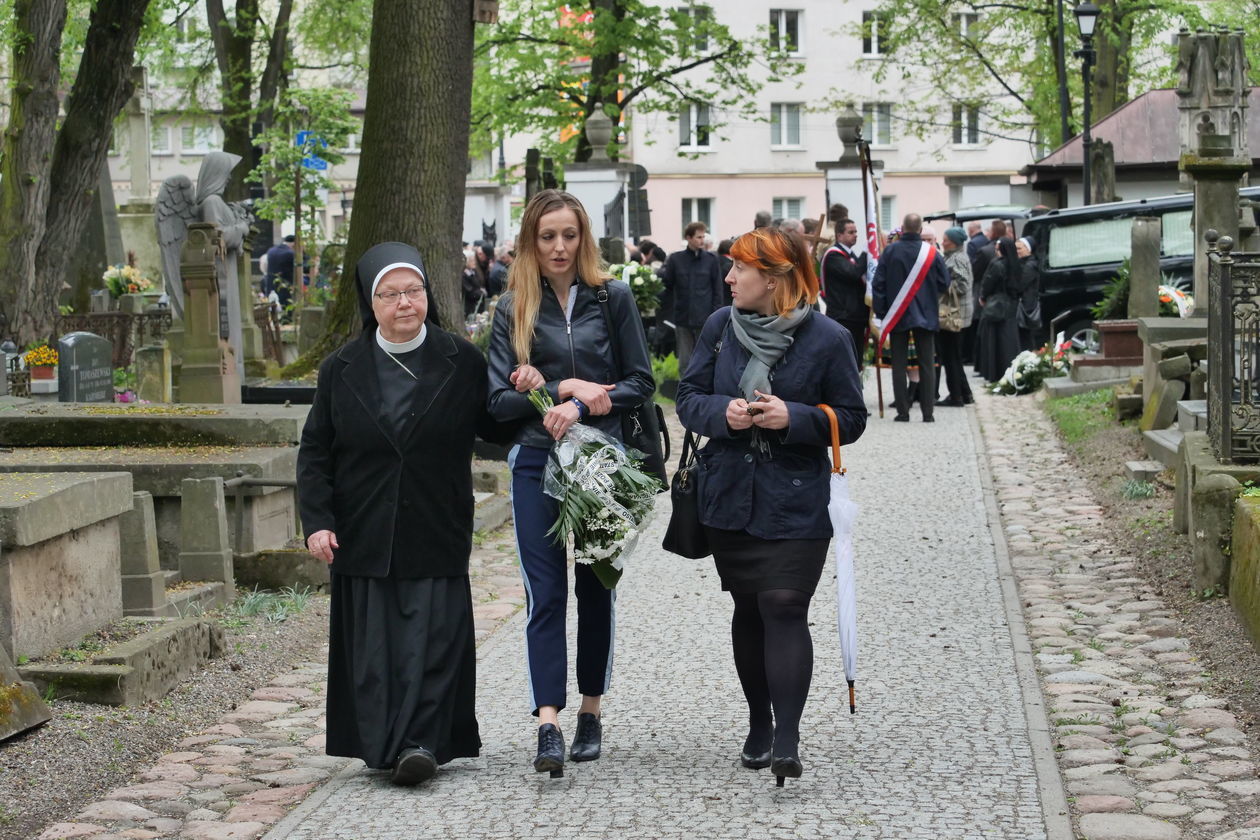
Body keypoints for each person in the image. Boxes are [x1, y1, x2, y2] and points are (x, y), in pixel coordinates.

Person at [298, 241, 504, 787]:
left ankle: (421, 745)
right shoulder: (340, 369)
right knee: (374, 649)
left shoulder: (462, 361)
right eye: (390, 294)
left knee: (431, 645)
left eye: (413, 291)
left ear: (427, 296)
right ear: (373, 303)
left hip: (435, 522)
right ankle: (383, 744)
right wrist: (318, 520)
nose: (404, 303)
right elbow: (316, 450)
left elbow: (497, 429)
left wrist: (536, 397)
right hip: (364, 526)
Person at [676, 226, 867, 787]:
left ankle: (788, 736)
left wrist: (798, 418)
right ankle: (759, 721)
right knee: (749, 607)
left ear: (775, 278)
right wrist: (723, 415)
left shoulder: (828, 338)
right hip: (730, 495)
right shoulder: (718, 329)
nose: (729, 277)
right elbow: (688, 399)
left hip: (796, 499)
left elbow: (851, 419)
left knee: (784, 604)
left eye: (740, 269)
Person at [486, 189, 655, 779]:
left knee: (595, 587)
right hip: (535, 461)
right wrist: (553, 389)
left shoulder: (613, 298)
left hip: (600, 463)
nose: (559, 247)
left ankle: (590, 709)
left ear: (584, 237)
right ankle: (548, 723)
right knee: (544, 593)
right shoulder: (512, 309)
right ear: (531, 242)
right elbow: (496, 404)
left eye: (569, 234)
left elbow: (641, 383)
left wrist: (587, 403)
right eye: (547, 236)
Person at [872, 213, 950, 422]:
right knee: (926, 364)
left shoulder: (890, 251)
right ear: (919, 229)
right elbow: (944, 283)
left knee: (899, 364)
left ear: (904, 229)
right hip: (926, 314)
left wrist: (881, 313)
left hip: (897, 315)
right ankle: (928, 413)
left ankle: (903, 411)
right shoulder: (932, 253)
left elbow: (878, 284)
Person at [662, 221, 725, 376]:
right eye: (698, 237)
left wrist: (716, 315)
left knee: (706, 357)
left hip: (705, 318)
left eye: (703, 236)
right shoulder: (676, 260)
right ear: (688, 238)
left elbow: (717, 290)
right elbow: (667, 286)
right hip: (683, 316)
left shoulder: (711, 260)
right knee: (684, 360)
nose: (702, 240)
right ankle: (685, 393)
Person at [820, 218, 869, 368]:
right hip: (843, 315)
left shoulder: (850, 255)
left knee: (856, 361)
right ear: (839, 235)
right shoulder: (834, 256)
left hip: (856, 316)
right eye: (851, 232)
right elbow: (853, 273)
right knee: (846, 361)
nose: (855, 235)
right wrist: (868, 252)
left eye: (856, 232)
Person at [975, 236, 1024, 383]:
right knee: (1008, 338)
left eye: (997, 249)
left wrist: (983, 296)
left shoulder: (997, 264)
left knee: (994, 338)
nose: (996, 252)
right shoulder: (1017, 264)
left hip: (996, 304)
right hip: (1011, 304)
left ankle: (995, 371)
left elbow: (988, 283)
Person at [936, 227, 975, 406]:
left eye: (945, 239)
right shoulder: (954, 256)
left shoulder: (957, 258)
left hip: (955, 314)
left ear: (953, 242)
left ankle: (956, 396)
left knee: (951, 356)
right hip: (958, 313)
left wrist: (943, 286)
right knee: (954, 356)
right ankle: (964, 393)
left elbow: (962, 285)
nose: (942, 242)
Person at [1014, 237, 1042, 351]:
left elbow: (1020, 284)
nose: (1017, 251)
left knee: (1026, 335)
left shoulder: (1030, 266)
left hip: (1027, 305)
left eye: (1019, 248)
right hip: (1027, 302)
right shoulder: (1026, 263)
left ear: (1028, 249)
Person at [261, 235, 296, 302]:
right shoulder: (290, 253)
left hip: (270, 287)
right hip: (285, 288)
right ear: (293, 244)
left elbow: (265, 266)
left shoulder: (271, 250)